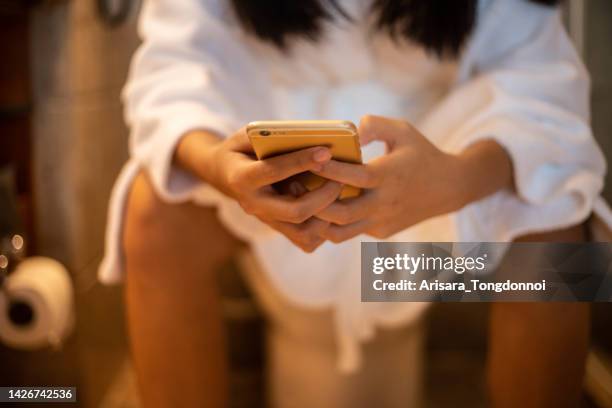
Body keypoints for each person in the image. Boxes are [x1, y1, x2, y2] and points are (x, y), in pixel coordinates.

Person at [99, 0, 611, 407]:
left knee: (557, 230)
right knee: (154, 216)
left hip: (437, 178)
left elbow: (541, 88)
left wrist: (454, 181)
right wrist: (220, 165)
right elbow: (175, 66)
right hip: (269, 182)